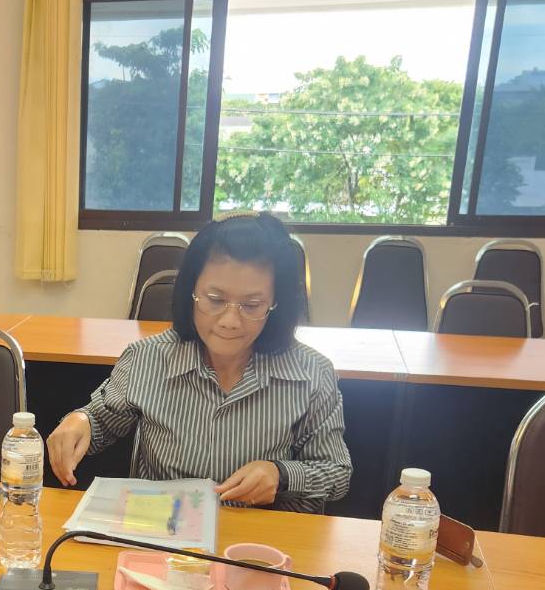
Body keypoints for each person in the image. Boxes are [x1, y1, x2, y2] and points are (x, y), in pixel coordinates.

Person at [47, 213, 351, 513]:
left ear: (275, 304)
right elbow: (101, 420)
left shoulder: (312, 373)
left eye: (252, 305)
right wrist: (81, 421)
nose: (230, 321)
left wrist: (281, 474)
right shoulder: (147, 358)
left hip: (260, 534)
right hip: (164, 529)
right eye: (215, 300)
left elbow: (337, 473)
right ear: (191, 291)